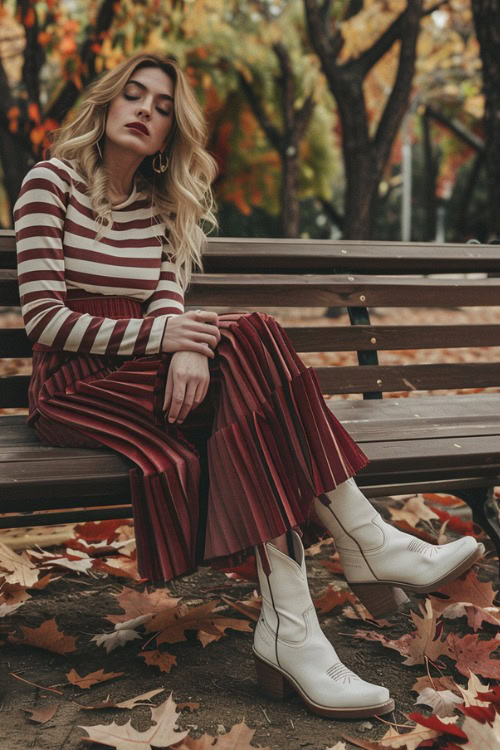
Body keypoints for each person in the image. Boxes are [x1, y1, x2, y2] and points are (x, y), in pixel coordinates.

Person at [13, 52, 484, 721]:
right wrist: (167, 341)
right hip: (75, 387)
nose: (146, 110)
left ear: (173, 132)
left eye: (164, 106)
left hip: (149, 373)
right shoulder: (49, 184)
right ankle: (356, 552)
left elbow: (167, 305)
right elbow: (45, 320)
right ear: (107, 103)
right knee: (255, 337)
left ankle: (297, 628)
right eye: (135, 96)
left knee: (247, 401)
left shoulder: (162, 208)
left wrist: (190, 353)